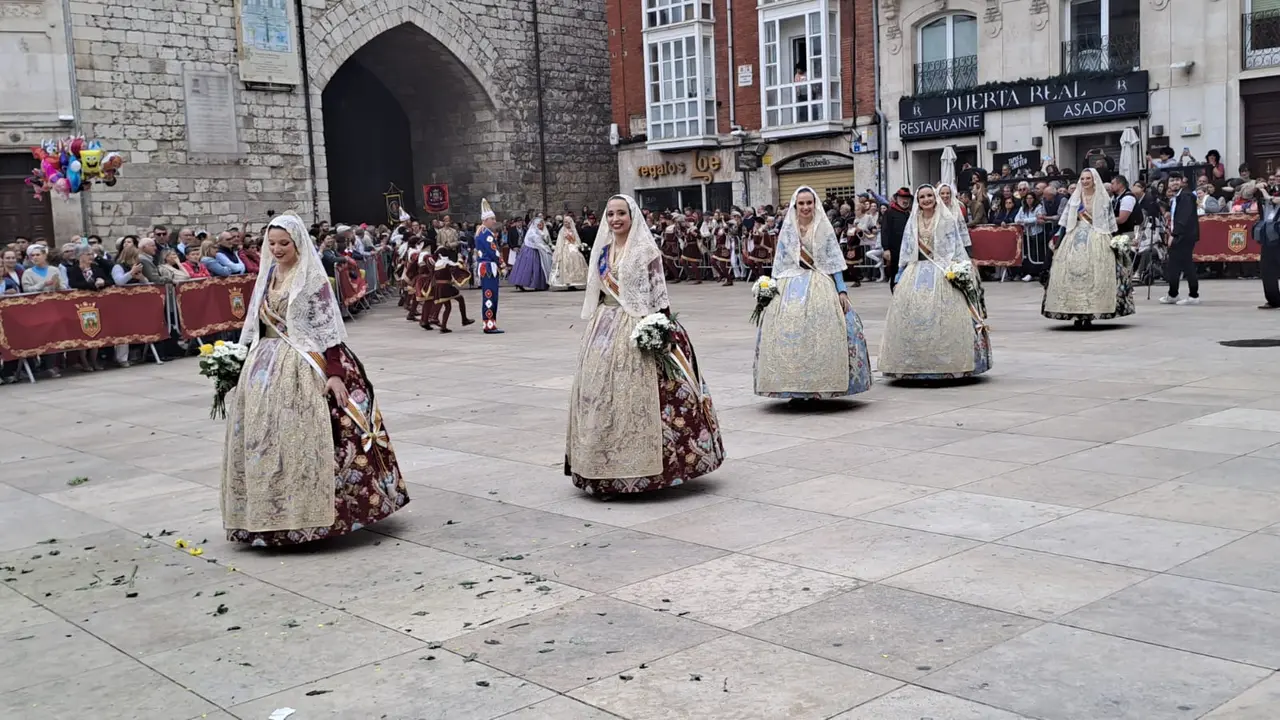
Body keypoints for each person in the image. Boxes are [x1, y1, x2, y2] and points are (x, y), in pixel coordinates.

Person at [222, 214, 409, 546]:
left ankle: (311, 519)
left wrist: (336, 373)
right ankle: (266, 518)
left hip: (303, 364)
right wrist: (234, 365)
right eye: (272, 243)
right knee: (264, 441)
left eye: (284, 243)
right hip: (265, 366)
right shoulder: (265, 278)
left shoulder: (311, 280)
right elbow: (255, 325)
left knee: (305, 439)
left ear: (297, 244)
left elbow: (329, 330)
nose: (277, 249)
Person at [565, 194, 724, 498]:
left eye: (621, 213)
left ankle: (649, 469)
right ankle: (601, 470)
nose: (615, 219)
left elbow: (658, 293)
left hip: (638, 325)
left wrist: (660, 330)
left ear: (632, 215)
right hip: (604, 327)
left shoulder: (645, 250)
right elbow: (598, 293)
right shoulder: (603, 251)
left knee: (644, 396)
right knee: (599, 396)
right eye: (610, 214)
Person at [754, 186, 873, 400]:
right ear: (795, 205)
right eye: (801, 203)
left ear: (815, 204)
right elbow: (780, 262)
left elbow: (834, 261)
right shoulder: (788, 229)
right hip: (790, 285)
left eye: (809, 202)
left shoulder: (824, 228)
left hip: (820, 282)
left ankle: (822, 384)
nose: (806, 207)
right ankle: (792, 386)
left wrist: (842, 290)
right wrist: (769, 289)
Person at [879, 185, 993, 379]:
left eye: (930, 195)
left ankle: (950, 362)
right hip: (916, 271)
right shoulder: (913, 221)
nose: (926, 199)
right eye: (922, 197)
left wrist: (961, 270)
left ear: (935, 197)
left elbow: (956, 247)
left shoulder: (946, 219)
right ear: (918, 200)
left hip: (942, 271)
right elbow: (906, 251)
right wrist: (898, 276)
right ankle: (914, 363)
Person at [1041, 168, 1135, 326]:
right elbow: (1065, 221)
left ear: (1094, 180)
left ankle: (1092, 311)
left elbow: (1108, 222)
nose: (1085, 181)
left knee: (1099, 273)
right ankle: (1074, 312)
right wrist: (1058, 240)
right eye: (1082, 178)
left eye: (1088, 179)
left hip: (1098, 236)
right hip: (1074, 235)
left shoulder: (1103, 198)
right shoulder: (1075, 198)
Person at [1160, 171, 1202, 306]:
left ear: (1182, 181)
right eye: (1172, 180)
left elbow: (1183, 219)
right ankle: (1173, 294)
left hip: (1184, 236)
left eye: (1177, 180)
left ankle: (1193, 295)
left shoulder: (1186, 196)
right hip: (1181, 235)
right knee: (1174, 265)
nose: (1175, 183)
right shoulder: (1177, 197)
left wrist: (1174, 235)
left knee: (1186, 265)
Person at [475, 199, 506, 333]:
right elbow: (493, 251)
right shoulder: (486, 234)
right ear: (486, 219)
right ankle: (489, 325)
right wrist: (502, 264)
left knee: (489, 295)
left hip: (486, 267)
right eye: (492, 219)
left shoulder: (480, 232)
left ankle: (490, 323)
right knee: (490, 296)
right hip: (488, 267)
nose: (494, 221)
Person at [509, 216, 553, 291]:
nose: (541, 226)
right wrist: (547, 249)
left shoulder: (541, 232)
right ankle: (521, 282)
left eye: (542, 225)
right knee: (527, 267)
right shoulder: (532, 232)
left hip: (538, 252)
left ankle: (539, 284)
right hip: (530, 250)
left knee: (538, 268)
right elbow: (538, 243)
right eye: (539, 225)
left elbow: (545, 241)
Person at [881, 187, 912, 292]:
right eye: (902, 198)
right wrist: (886, 248)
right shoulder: (890, 212)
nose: (905, 200)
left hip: (909, 251)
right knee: (895, 274)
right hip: (895, 250)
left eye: (907, 198)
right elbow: (884, 230)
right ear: (897, 198)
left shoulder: (910, 213)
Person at [549, 216, 588, 291]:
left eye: (567, 222)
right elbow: (560, 241)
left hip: (573, 247)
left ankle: (574, 282)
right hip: (565, 248)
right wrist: (559, 250)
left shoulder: (573, 230)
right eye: (565, 222)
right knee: (567, 263)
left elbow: (576, 240)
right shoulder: (562, 231)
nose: (566, 223)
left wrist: (577, 245)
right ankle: (567, 281)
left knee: (577, 261)